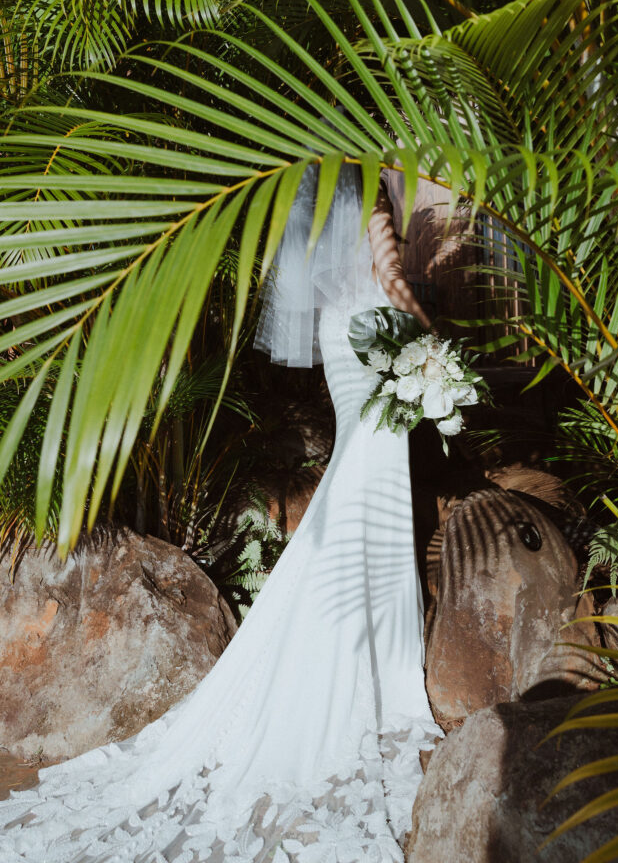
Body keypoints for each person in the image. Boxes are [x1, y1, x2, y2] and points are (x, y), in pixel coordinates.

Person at [0, 163, 439, 862]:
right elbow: (389, 271)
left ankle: (348, 633)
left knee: (358, 481)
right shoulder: (367, 190)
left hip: (341, 337)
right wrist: (433, 337)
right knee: (372, 484)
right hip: (377, 333)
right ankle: (372, 651)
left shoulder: (321, 188)